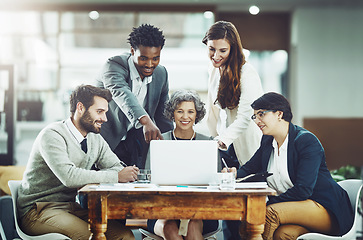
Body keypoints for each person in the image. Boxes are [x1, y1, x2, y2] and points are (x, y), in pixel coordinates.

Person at [224, 92, 354, 240]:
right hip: (296, 208)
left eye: (261, 114)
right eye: (255, 116)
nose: (257, 121)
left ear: (279, 114)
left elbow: (303, 189)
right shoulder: (267, 141)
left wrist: (269, 202)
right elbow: (250, 168)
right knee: (283, 234)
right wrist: (232, 174)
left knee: (267, 214)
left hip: (325, 209)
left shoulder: (306, 141)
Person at [17, 85, 139, 240]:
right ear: (80, 108)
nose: (105, 119)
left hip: (71, 207)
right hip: (38, 210)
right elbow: (70, 177)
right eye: (99, 112)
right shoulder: (52, 135)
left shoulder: (94, 138)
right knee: (90, 236)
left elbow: (115, 166)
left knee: (124, 235)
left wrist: (113, 174)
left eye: (105, 113)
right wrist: (115, 177)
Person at [95, 24, 173, 169]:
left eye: (155, 58)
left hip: (135, 143)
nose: (150, 64)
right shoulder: (114, 65)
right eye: (143, 58)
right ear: (132, 51)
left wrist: (171, 146)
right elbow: (121, 92)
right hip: (106, 140)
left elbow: (163, 116)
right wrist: (145, 121)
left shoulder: (161, 73)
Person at [146, 89, 219, 240]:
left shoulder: (208, 143)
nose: (185, 117)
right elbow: (148, 179)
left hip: (201, 211)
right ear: (172, 113)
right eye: (180, 111)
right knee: (170, 228)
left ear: (196, 115)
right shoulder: (160, 142)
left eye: (190, 112)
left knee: (193, 225)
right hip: (162, 210)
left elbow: (216, 181)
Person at [202, 21, 264, 169]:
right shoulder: (213, 71)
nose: (216, 56)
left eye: (222, 50)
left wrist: (221, 140)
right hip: (225, 145)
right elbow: (212, 113)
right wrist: (213, 141)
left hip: (246, 143)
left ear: (233, 49)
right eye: (211, 49)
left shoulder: (247, 72)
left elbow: (246, 117)